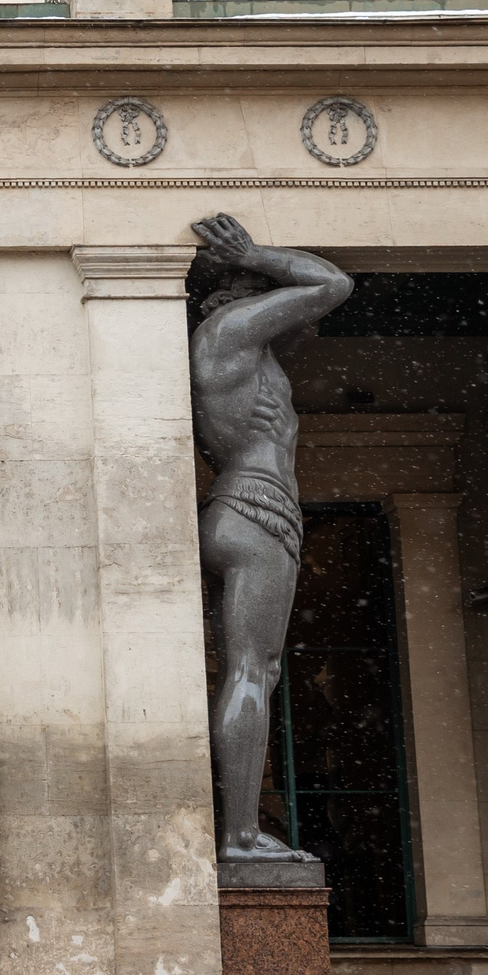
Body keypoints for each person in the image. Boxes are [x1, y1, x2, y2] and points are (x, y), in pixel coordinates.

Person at [188, 213, 353, 863]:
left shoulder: (232, 348)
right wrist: (257, 251)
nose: (303, 329)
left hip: (244, 505)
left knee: (251, 669)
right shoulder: (230, 330)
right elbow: (330, 284)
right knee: (254, 670)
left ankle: (238, 828)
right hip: (256, 508)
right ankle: (239, 834)